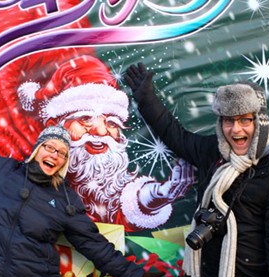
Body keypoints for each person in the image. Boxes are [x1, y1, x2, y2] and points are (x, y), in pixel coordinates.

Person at [0, 50, 172, 277]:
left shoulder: (65, 200)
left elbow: (96, 246)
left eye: (62, 152)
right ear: (37, 150)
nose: (54, 154)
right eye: (49, 147)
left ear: (64, 161)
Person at [125, 63, 269, 277]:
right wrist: (146, 98)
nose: (236, 129)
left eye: (244, 120)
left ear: (259, 121)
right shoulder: (214, 153)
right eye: (228, 121)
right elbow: (175, 135)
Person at [17, 55, 194, 231]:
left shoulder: (104, 180)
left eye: (111, 123)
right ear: (55, 126)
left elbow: (113, 211)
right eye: (86, 119)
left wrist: (156, 197)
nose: (101, 132)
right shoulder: (25, 173)